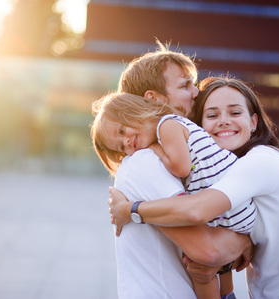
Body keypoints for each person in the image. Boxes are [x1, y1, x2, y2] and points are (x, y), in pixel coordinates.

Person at [108, 77, 279, 299]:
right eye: (212, 115)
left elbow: (197, 211)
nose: (224, 121)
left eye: (235, 112)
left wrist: (129, 211)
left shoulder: (262, 161)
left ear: (254, 122)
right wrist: (233, 253)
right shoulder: (226, 170)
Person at [94, 42, 254, 298]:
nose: (195, 92)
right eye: (184, 85)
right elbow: (208, 251)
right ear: (153, 98)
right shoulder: (147, 161)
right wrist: (245, 241)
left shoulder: (171, 145)